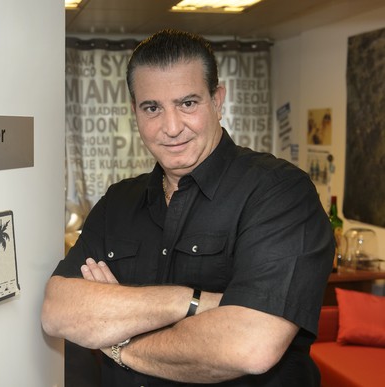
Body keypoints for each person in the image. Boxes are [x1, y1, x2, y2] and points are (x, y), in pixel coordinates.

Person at [41, 29, 334, 386]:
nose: (172, 127)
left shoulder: (279, 192)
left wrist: (118, 343)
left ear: (218, 99)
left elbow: (249, 346)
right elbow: (58, 311)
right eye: (152, 108)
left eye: (188, 103)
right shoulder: (117, 202)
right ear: (134, 111)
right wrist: (190, 301)